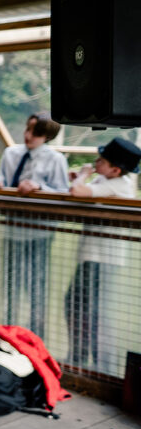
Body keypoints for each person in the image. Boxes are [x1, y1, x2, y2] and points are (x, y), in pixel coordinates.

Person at [0, 112, 68, 338]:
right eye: (28, 129)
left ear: (47, 136)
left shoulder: (56, 159)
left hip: (38, 233)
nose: (28, 135)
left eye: (36, 133)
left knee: (36, 288)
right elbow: (3, 178)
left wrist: (40, 189)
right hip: (12, 230)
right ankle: (7, 335)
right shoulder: (11, 153)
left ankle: (35, 338)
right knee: (10, 285)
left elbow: (63, 192)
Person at [65, 137, 140, 372]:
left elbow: (78, 192)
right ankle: (79, 358)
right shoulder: (107, 179)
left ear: (116, 169)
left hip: (102, 258)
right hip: (92, 255)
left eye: (101, 160)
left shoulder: (118, 185)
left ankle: (101, 367)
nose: (96, 163)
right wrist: (81, 178)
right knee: (77, 304)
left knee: (93, 310)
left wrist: (83, 175)